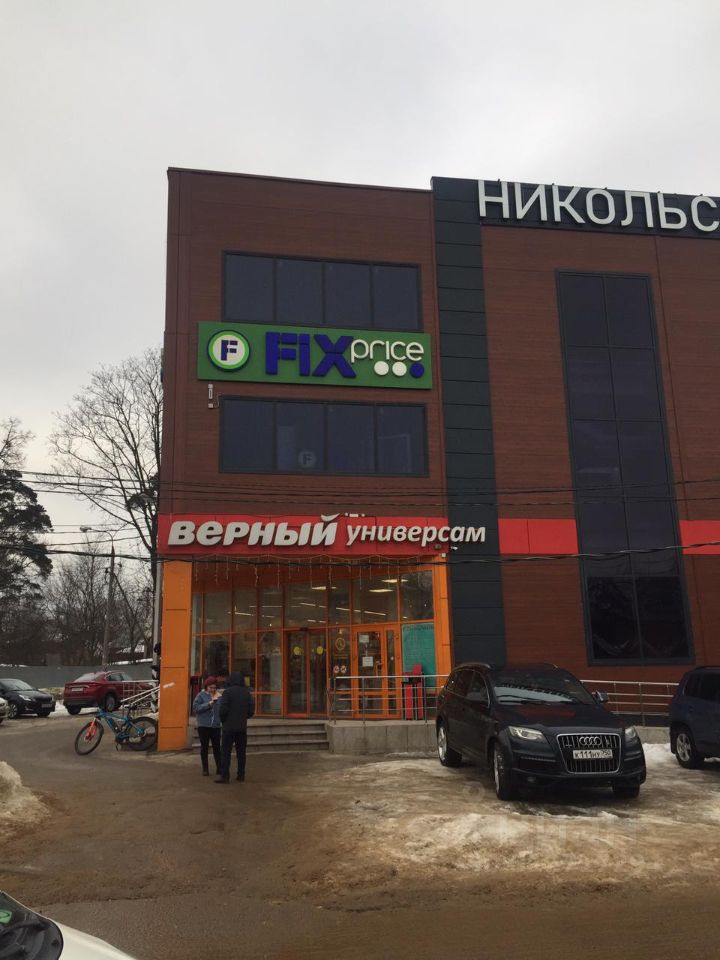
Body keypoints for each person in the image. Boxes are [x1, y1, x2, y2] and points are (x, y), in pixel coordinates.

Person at [215, 672, 254, 783]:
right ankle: (241, 775)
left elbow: (223, 709)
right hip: (241, 727)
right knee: (241, 753)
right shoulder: (247, 693)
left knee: (226, 752)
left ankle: (225, 776)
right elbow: (251, 710)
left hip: (228, 727)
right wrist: (243, 718)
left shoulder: (227, 692)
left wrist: (223, 720)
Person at [192, 677, 222, 777]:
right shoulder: (200, 695)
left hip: (216, 726)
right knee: (204, 747)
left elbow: (222, 709)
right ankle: (205, 769)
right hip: (203, 725)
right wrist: (209, 704)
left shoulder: (219, 696)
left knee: (217, 748)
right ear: (206, 687)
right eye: (210, 687)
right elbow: (196, 708)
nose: (212, 689)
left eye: (214, 687)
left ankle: (219, 768)